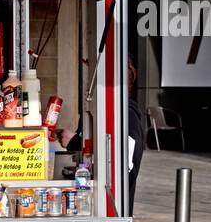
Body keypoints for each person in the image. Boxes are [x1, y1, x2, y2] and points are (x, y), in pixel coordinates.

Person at [54, 59, 145, 209]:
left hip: (111, 208)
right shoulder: (98, 111)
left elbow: (124, 168)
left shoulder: (127, 115)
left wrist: (75, 141)